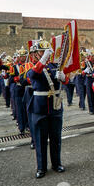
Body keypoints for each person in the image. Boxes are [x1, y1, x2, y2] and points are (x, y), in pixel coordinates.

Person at [27, 38, 69, 178]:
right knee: (40, 139)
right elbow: (32, 75)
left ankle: (56, 163)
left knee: (56, 137)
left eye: (46, 52)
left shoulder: (53, 66)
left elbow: (65, 80)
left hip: (55, 106)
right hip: (40, 107)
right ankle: (41, 167)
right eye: (42, 52)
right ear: (36, 54)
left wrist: (63, 78)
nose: (45, 54)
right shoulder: (31, 66)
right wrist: (43, 59)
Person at [11, 47, 29, 134]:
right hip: (18, 89)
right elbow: (11, 79)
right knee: (20, 109)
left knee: (28, 109)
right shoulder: (14, 67)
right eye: (21, 56)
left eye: (24, 56)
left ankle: (28, 125)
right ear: (18, 57)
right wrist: (16, 78)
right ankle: (21, 127)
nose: (23, 58)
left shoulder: (29, 65)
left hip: (27, 89)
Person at [84, 49, 94, 115]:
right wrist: (86, 70)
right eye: (92, 56)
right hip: (89, 79)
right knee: (90, 95)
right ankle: (91, 109)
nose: (93, 57)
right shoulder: (86, 62)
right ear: (90, 56)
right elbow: (81, 72)